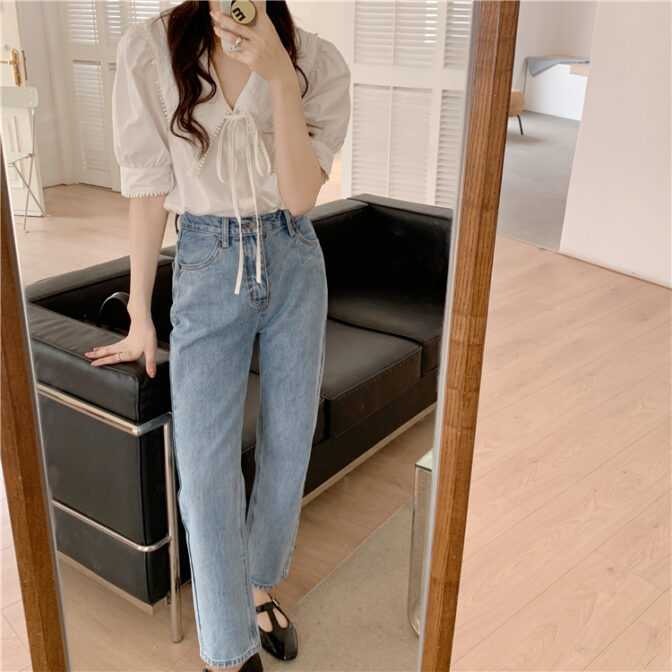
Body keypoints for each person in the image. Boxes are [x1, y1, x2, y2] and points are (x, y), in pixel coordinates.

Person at [84, 2, 351, 671]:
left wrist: (279, 76)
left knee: (289, 441)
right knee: (204, 470)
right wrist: (140, 313)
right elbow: (148, 191)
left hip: (293, 257)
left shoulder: (316, 62)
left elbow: (299, 197)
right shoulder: (151, 50)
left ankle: (257, 585)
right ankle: (228, 651)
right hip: (205, 261)